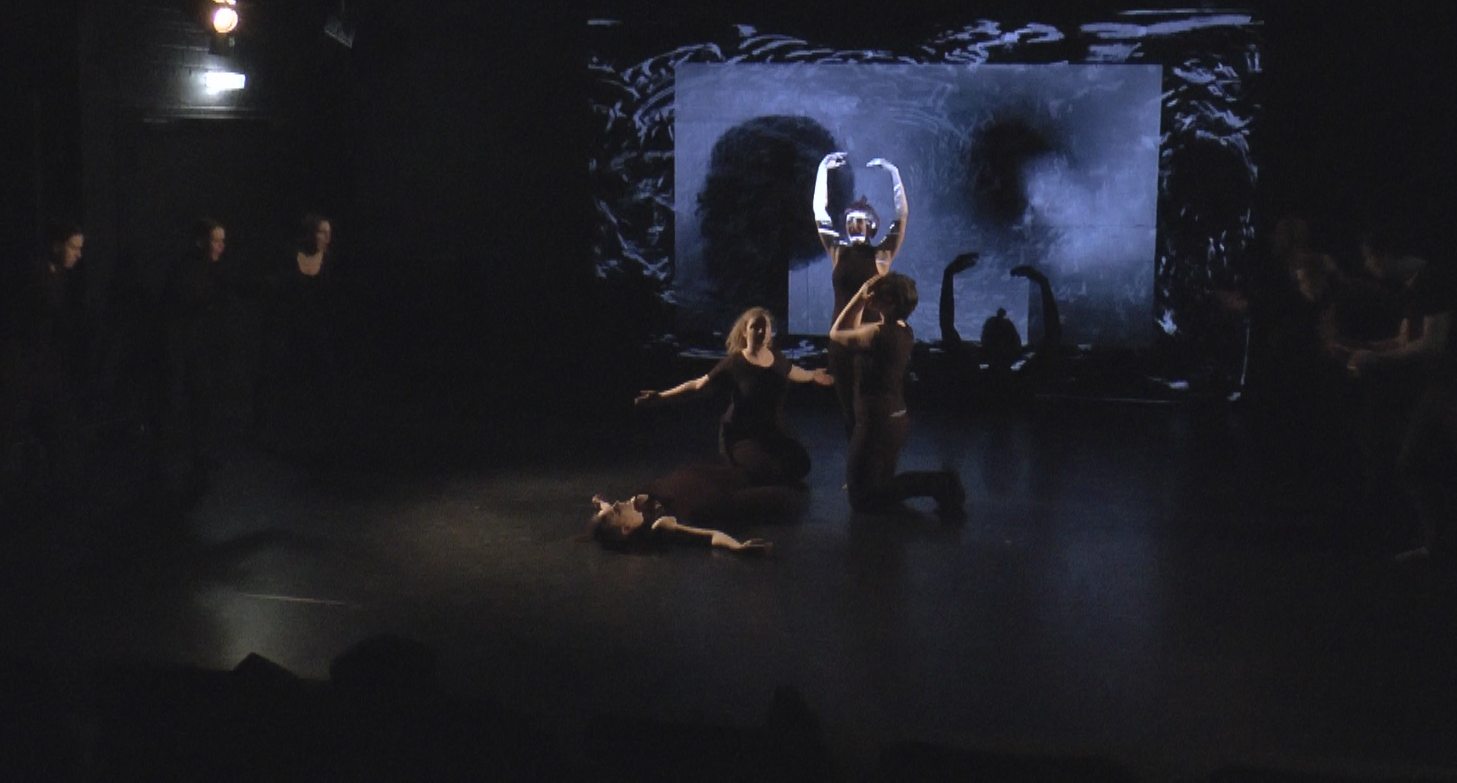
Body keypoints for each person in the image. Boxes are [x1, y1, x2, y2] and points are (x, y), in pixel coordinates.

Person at [1343, 225, 1457, 564]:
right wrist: (1364, 349)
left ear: (1386, 255)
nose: (1368, 267)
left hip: (1449, 386)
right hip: (1438, 387)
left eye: (1369, 259)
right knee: (1411, 462)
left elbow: (1433, 345)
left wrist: (1376, 358)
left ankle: (1438, 544)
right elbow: (1407, 340)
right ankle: (1436, 544)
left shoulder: (1434, 281)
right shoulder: (1413, 285)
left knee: (1415, 460)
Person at [636, 307, 832, 486]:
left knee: (801, 465)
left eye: (765, 327)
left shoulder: (777, 357)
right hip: (741, 436)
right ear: (745, 332)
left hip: (771, 432)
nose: (761, 331)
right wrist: (661, 397)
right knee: (769, 473)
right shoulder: (734, 364)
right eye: (755, 327)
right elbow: (698, 385)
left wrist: (813, 375)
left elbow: (794, 372)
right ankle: (741, 468)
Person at [830, 272, 964, 514]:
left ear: (890, 301)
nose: (872, 295)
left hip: (878, 422)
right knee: (877, 487)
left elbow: (838, 333)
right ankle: (942, 484)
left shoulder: (879, 335)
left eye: (878, 293)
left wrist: (859, 298)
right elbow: (854, 330)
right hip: (891, 419)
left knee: (862, 498)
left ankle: (939, 483)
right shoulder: (902, 330)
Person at [814, 152, 907, 437]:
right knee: (848, 408)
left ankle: (871, 455)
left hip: (871, 340)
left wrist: (894, 174)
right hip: (842, 338)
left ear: (871, 226)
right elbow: (820, 214)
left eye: (860, 221)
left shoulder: (882, 255)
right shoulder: (839, 252)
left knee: (870, 403)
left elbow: (901, 216)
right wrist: (822, 170)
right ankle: (855, 457)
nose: (854, 224)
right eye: (851, 220)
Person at [1, 221, 89, 494]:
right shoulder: (38, 272)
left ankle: (63, 481)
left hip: (38, 359)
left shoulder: (55, 274)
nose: (78, 254)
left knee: (56, 421)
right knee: (13, 423)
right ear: (58, 245)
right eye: (73, 247)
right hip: (22, 360)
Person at [147, 218, 232, 490]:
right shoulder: (185, 269)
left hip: (195, 344)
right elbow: (180, 307)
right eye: (216, 240)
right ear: (201, 241)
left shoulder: (212, 268)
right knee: (172, 402)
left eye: (222, 241)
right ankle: (161, 465)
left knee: (202, 399)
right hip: (176, 344)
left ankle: (200, 457)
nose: (221, 246)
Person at [253, 213, 339, 445]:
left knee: (319, 382)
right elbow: (275, 289)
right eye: (322, 232)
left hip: (317, 332)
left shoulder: (330, 263)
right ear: (310, 234)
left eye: (329, 233)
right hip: (289, 329)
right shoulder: (289, 259)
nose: (327, 238)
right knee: (284, 381)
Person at [587, 466, 774, 554]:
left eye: (613, 506)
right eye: (616, 512)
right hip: (727, 494)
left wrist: (600, 504)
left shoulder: (634, 502)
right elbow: (710, 535)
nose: (617, 503)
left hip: (713, 474)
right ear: (626, 528)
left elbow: (607, 509)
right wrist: (737, 547)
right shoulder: (660, 524)